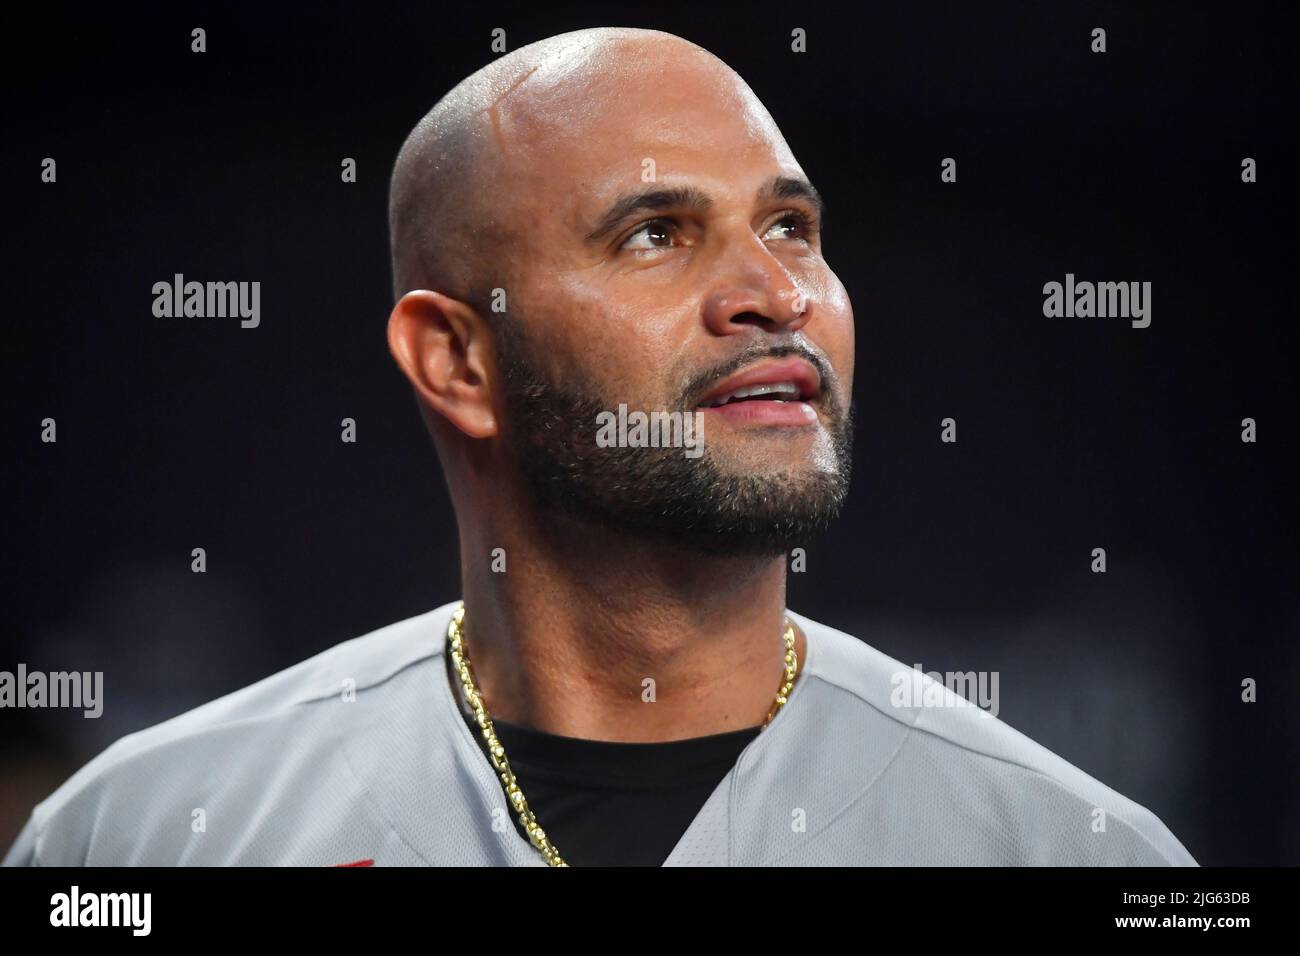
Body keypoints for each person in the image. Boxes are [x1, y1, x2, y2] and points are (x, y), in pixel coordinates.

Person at [3, 27, 1195, 867]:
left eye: (792, 226)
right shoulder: (143, 838)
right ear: (457, 362)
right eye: (654, 233)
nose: (773, 292)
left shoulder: (1070, 849)